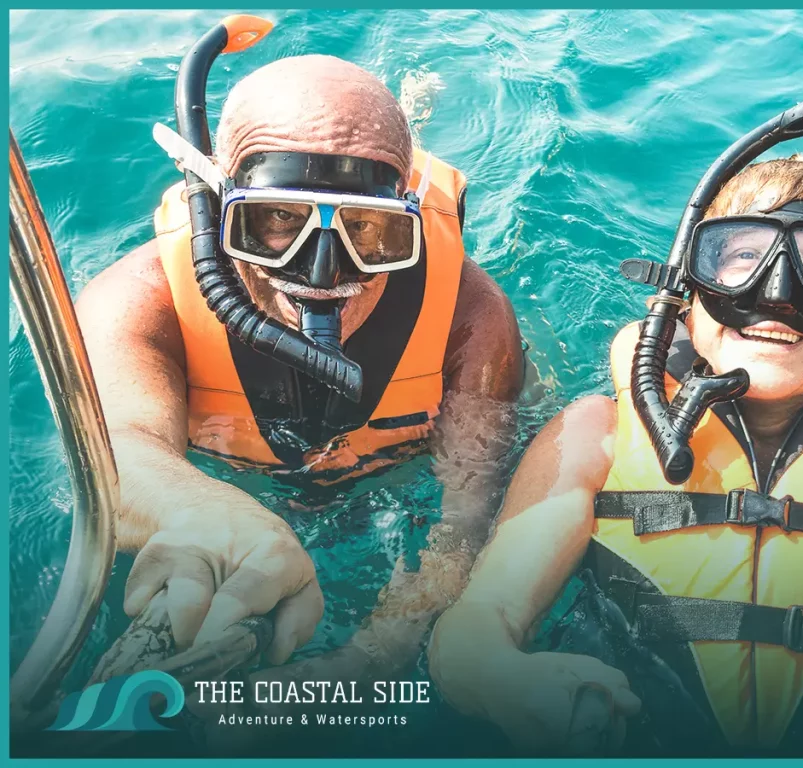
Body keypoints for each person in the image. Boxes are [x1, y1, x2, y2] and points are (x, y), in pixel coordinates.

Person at [428, 99, 803, 757]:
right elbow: (475, 628)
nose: (779, 295)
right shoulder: (594, 441)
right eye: (741, 259)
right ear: (685, 293)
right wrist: (502, 678)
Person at [75, 16, 523, 679]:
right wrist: (199, 511)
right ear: (216, 204)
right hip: (237, 489)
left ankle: (410, 110)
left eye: (368, 230)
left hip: (384, 480)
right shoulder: (139, 304)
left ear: (410, 220)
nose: (321, 272)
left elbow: (466, 516)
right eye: (277, 220)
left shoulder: (472, 319)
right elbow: (117, 449)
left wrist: (372, 657)